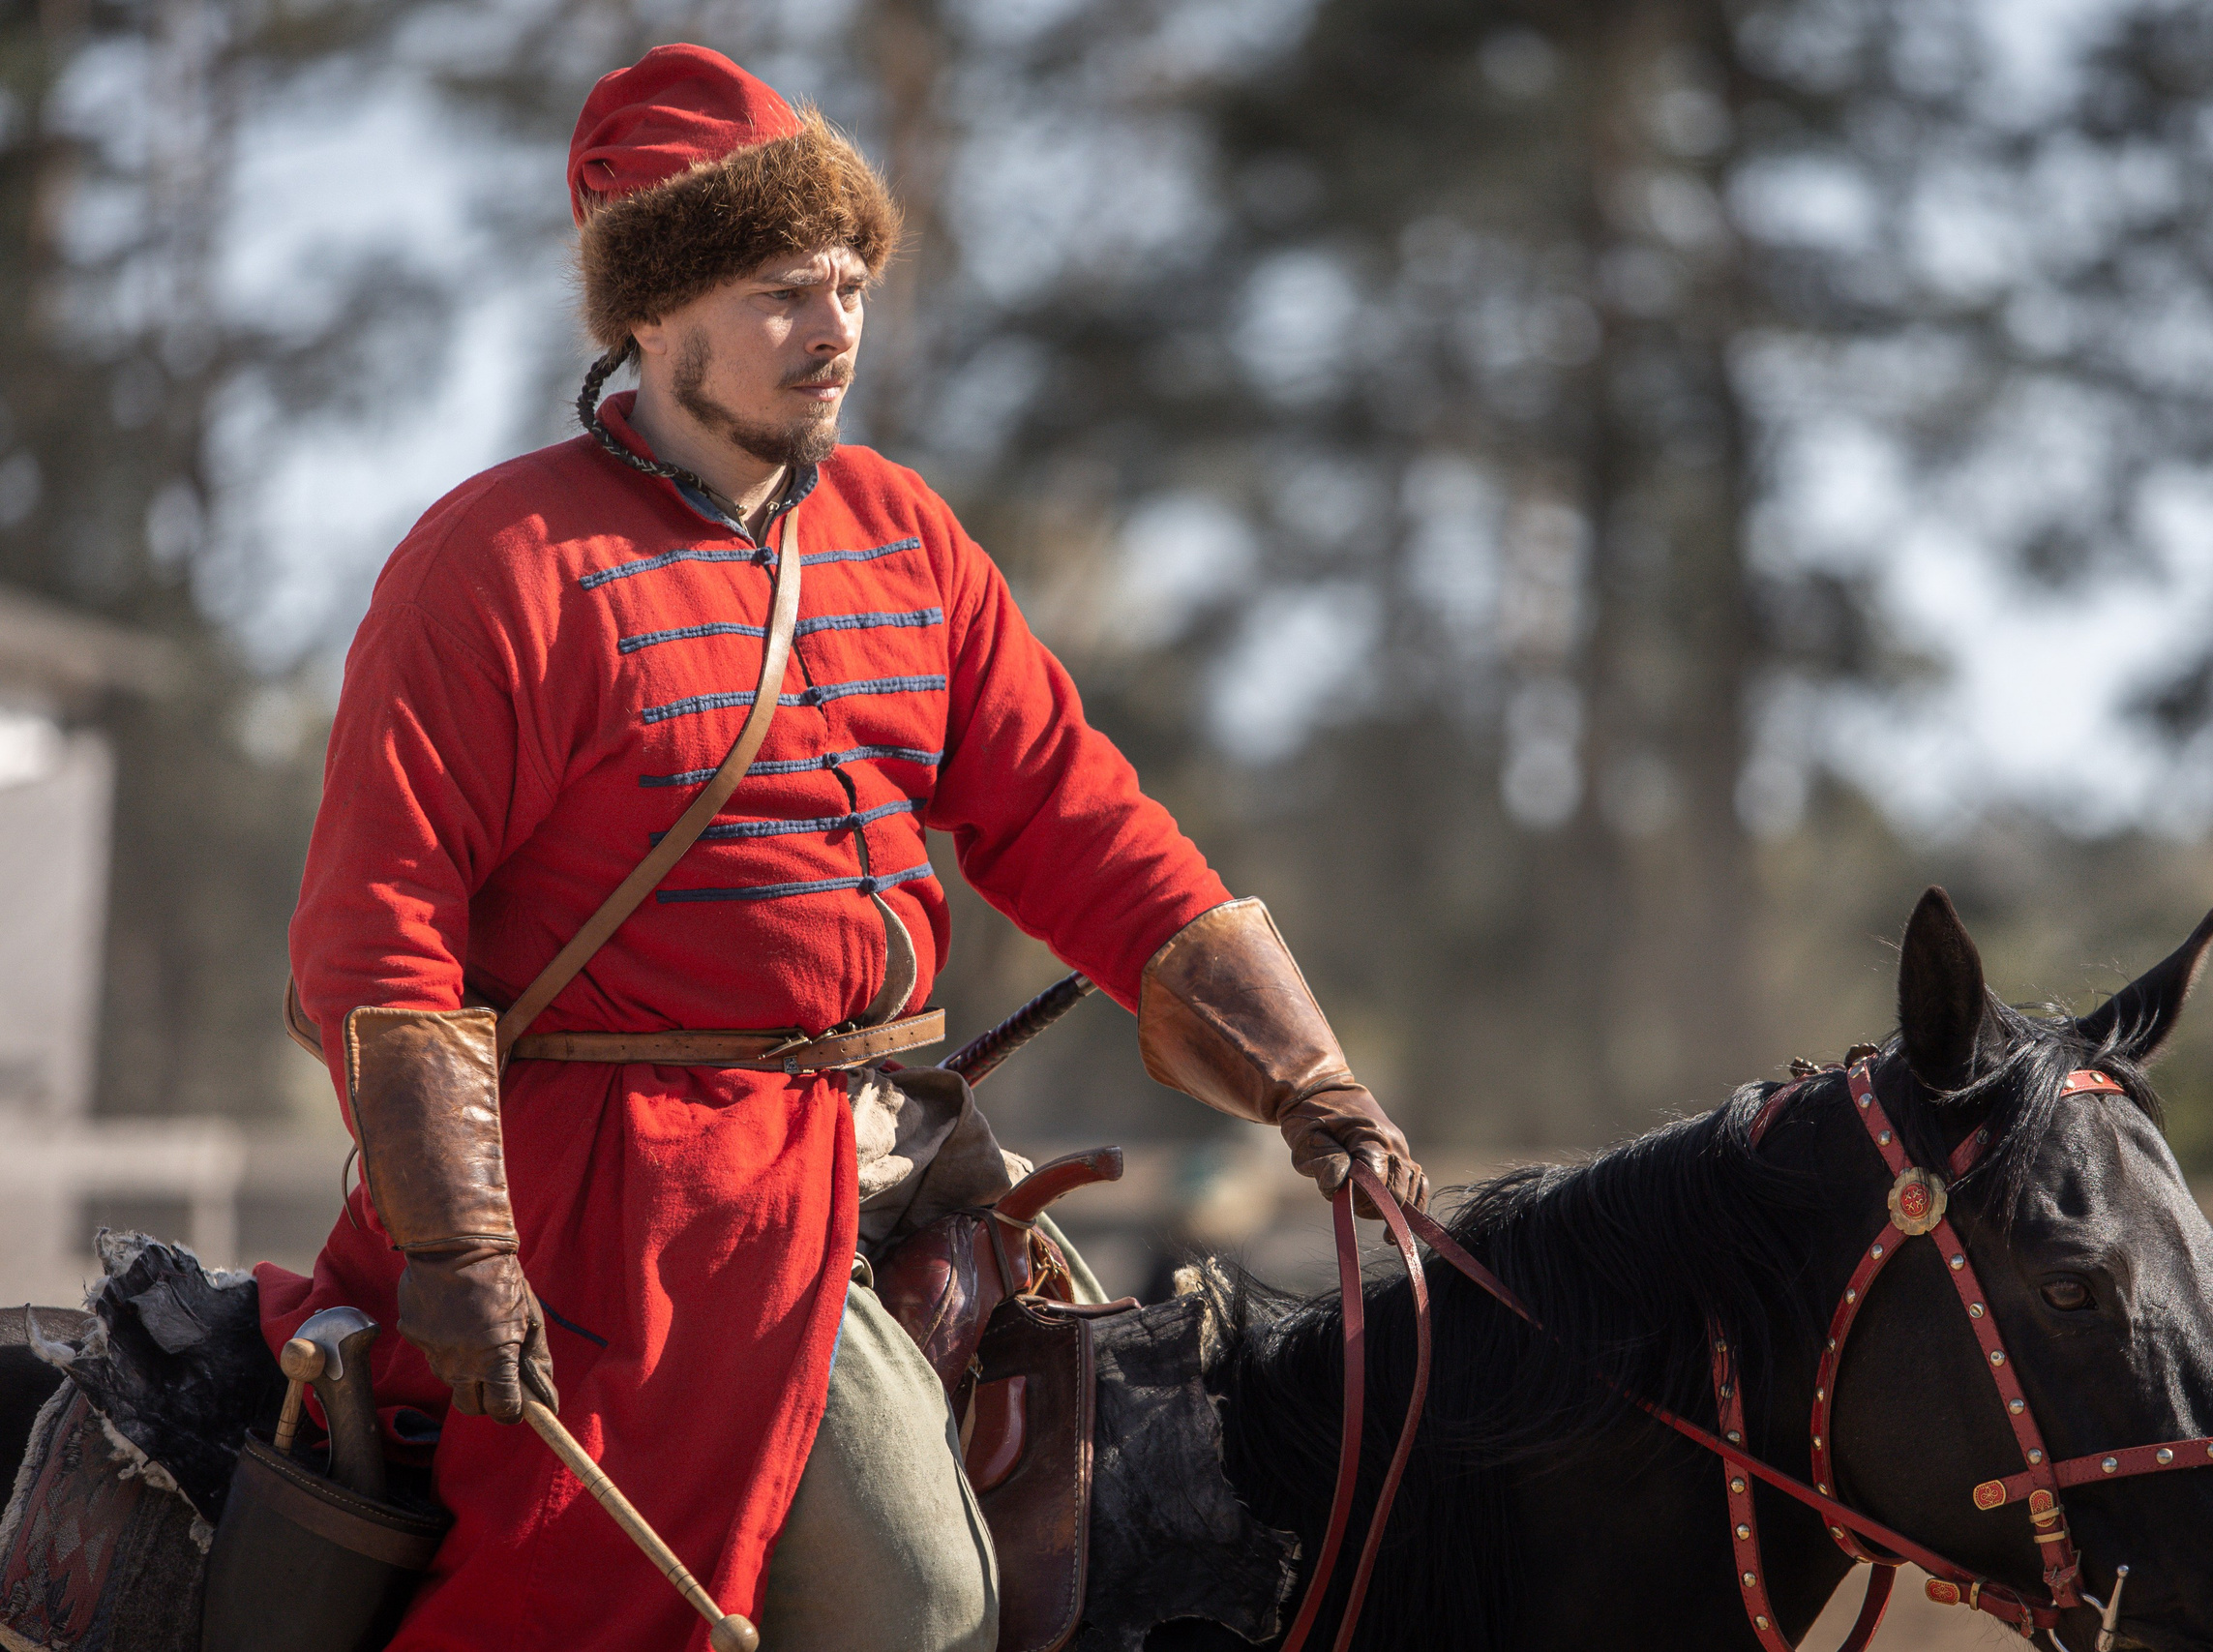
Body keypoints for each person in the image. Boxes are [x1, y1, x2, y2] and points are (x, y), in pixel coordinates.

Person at [256, 41, 1426, 1652]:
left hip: (882, 1150)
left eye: (848, 284)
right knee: (901, 1606)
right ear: (651, 318)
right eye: (777, 293)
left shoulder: (900, 532)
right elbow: (375, 930)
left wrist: (1310, 1078)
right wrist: (458, 1245)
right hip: (628, 1200)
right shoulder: (498, 561)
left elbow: (1065, 810)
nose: (833, 331)